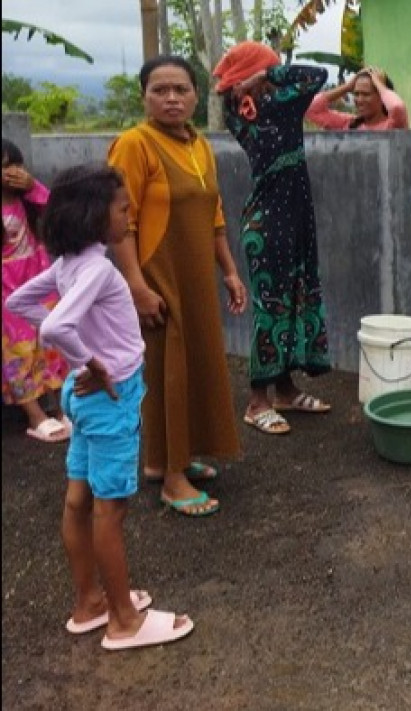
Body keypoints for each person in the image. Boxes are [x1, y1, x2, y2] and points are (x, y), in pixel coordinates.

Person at [6, 163, 195, 651]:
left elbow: (21, 304)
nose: (128, 217)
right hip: (110, 398)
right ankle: (124, 621)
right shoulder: (96, 269)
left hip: (83, 396)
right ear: (95, 214)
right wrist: (91, 361)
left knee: (79, 500)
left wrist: (80, 359)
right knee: (111, 510)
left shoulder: (70, 264)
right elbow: (52, 328)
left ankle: (89, 603)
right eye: (122, 209)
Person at [108, 55, 247, 517]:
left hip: (196, 277)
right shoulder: (135, 144)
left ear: (195, 95)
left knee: (194, 363)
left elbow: (215, 216)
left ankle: (168, 459)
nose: (171, 98)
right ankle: (171, 479)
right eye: (160, 90)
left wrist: (228, 270)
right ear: (144, 96)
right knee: (168, 369)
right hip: (157, 274)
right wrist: (135, 284)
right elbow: (120, 223)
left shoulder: (200, 145)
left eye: (181, 90)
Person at [213, 42, 334, 434]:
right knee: (272, 309)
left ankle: (283, 390)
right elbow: (316, 75)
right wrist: (263, 76)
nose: (276, 73)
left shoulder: (264, 106)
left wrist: (261, 78)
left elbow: (309, 78)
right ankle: (256, 401)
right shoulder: (265, 107)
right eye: (269, 68)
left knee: (292, 303)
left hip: (294, 219)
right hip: (270, 225)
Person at [3, 138, 70, 442]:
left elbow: (58, 211)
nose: (10, 173)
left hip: (40, 283)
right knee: (16, 352)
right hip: (6, 290)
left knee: (54, 343)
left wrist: (32, 186)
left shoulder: (27, 200)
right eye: (3, 167)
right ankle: (35, 415)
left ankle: (64, 407)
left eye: (14, 165)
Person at [305, 66, 410, 131]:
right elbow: (311, 109)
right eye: (356, 94)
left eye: (366, 94)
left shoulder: (393, 125)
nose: (359, 100)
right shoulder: (348, 124)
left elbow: (397, 107)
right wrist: (347, 87)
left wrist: (380, 85)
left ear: (382, 97)